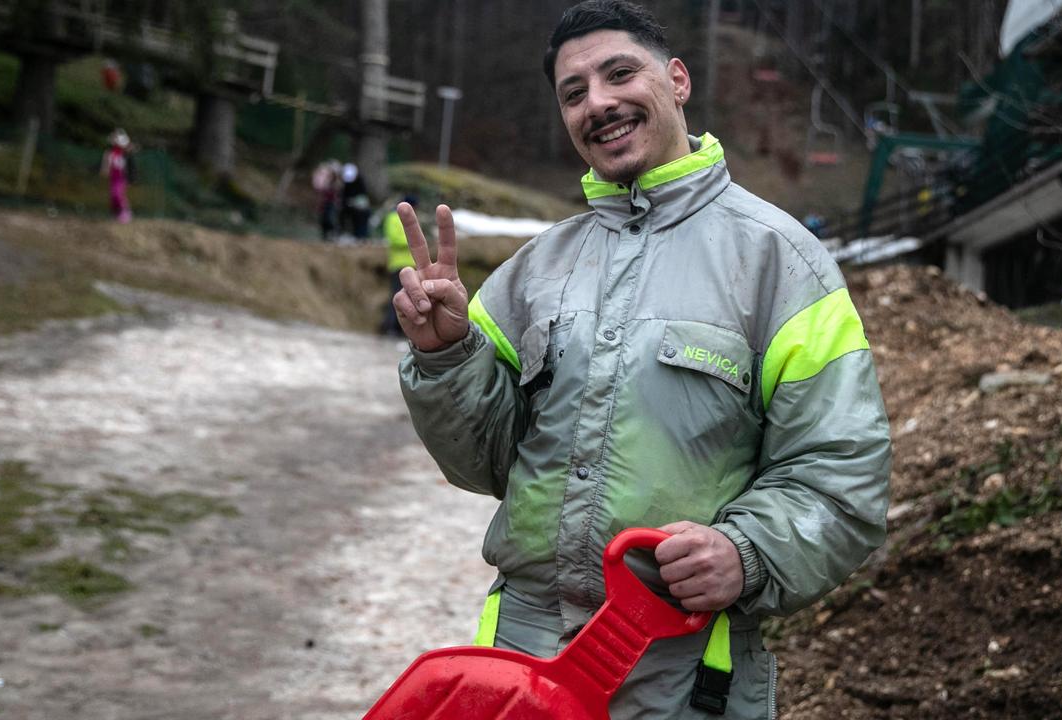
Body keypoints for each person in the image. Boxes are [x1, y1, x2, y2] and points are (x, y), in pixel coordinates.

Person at [391, 1, 891, 716]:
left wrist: (745, 553)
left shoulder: (782, 264)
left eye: (619, 73)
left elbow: (844, 476)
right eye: (573, 92)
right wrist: (447, 357)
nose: (598, 102)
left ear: (678, 80)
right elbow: (484, 463)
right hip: (523, 660)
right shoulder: (536, 269)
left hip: (684, 674)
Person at [379, 195, 419, 336]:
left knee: (409, 299)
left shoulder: (411, 219)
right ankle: (389, 327)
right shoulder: (392, 218)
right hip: (398, 265)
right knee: (397, 297)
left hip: (411, 265)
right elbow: (394, 239)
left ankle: (402, 329)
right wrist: (412, 240)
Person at [100, 129, 133, 224]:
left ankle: (126, 213)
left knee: (118, 194)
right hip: (114, 177)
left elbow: (128, 163)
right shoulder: (110, 153)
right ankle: (116, 213)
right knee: (113, 196)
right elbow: (107, 165)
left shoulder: (124, 153)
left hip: (121, 178)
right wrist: (105, 169)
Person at [339, 163, 371, 242]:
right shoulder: (346, 184)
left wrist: (356, 202)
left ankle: (362, 236)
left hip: (360, 208)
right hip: (350, 208)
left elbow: (363, 197)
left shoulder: (361, 182)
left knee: (362, 219)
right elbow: (344, 196)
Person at [312, 160, 341, 242]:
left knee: (329, 219)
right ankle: (325, 236)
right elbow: (319, 188)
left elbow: (337, 190)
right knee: (323, 220)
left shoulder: (336, 181)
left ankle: (335, 233)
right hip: (324, 202)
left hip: (332, 203)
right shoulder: (326, 180)